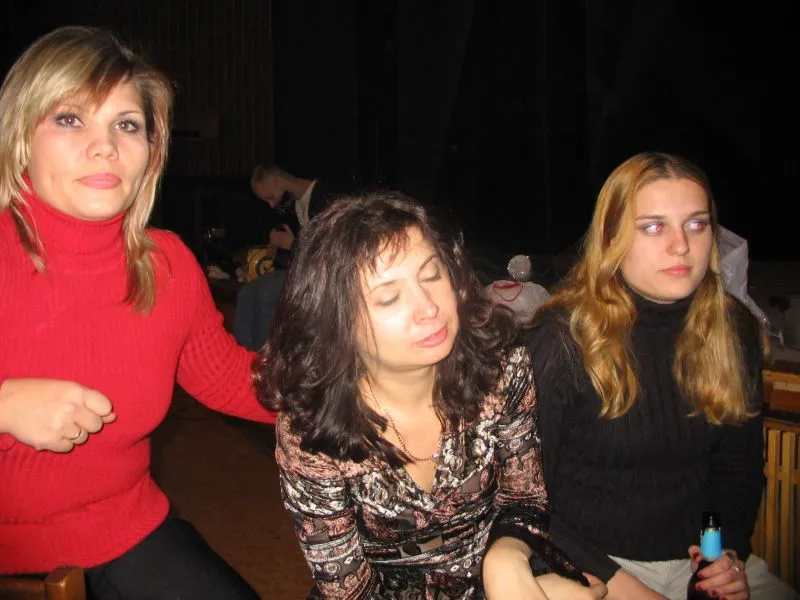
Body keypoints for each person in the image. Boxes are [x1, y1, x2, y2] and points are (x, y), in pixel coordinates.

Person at [0, 26, 275, 599]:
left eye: (126, 125)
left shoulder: (165, 262)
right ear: (21, 137)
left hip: (123, 527)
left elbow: (226, 377)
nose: (105, 146)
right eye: (70, 119)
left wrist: (358, 387)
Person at [254, 190, 608, 599]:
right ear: (335, 322)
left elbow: (524, 499)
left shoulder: (501, 370)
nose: (429, 307)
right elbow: (350, 590)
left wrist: (506, 562)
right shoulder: (312, 429)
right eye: (389, 297)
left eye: (432, 274)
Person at [525, 152, 798, 600]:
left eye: (697, 224)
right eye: (653, 227)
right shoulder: (561, 339)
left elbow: (738, 469)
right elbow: (528, 501)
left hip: (700, 560)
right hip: (591, 566)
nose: (681, 246)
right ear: (612, 238)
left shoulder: (733, 329)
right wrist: (625, 587)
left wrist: (722, 556)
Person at [233, 164, 351, 350]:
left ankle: (266, 361)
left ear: (278, 181)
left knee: (265, 293)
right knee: (245, 294)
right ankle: (244, 361)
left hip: (329, 278)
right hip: (305, 274)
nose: (272, 204)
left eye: (271, 197)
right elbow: (299, 257)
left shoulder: (327, 196)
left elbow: (335, 250)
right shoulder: (294, 206)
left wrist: (292, 244)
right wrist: (277, 253)